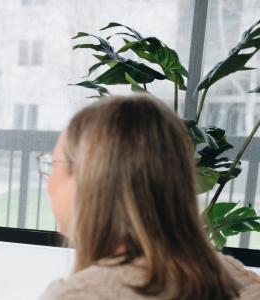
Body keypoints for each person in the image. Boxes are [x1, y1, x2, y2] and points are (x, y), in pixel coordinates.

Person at [39, 94, 260, 299]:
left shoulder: (79, 295)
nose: (48, 185)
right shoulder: (239, 280)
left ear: (92, 179)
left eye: (52, 164)